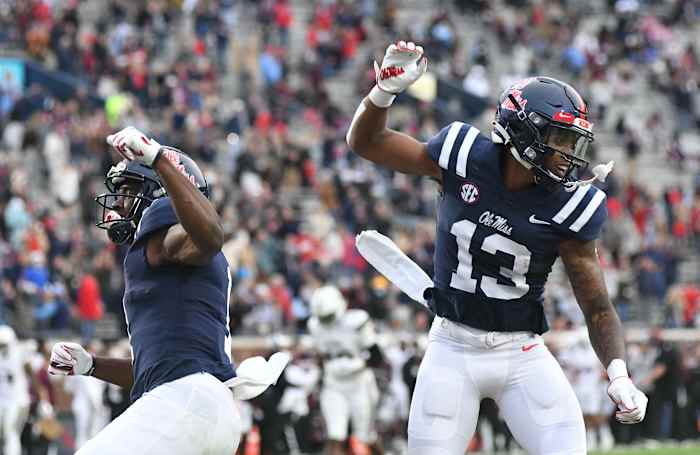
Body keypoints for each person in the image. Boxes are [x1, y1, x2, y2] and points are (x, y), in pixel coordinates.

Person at [346, 41, 648, 454]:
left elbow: (596, 305)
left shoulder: (570, 205)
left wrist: (618, 374)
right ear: (523, 130)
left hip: (520, 351)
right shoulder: (463, 156)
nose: (568, 155)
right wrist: (383, 93)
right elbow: (367, 142)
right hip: (452, 345)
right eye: (559, 138)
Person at [47, 127, 287, 455]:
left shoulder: (166, 227)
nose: (118, 203)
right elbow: (157, 369)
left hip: (189, 403)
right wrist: (92, 365)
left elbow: (210, 238)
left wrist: (158, 159)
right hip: (200, 406)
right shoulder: (168, 269)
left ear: (160, 191)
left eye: (129, 191)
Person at [307, 285, 382, 455]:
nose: (326, 321)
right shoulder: (315, 325)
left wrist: (358, 364)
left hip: (359, 383)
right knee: (335, 435)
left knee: (366, 437)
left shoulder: (357, 321)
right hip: (333, 383)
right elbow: (321, 356)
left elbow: (377, 356)